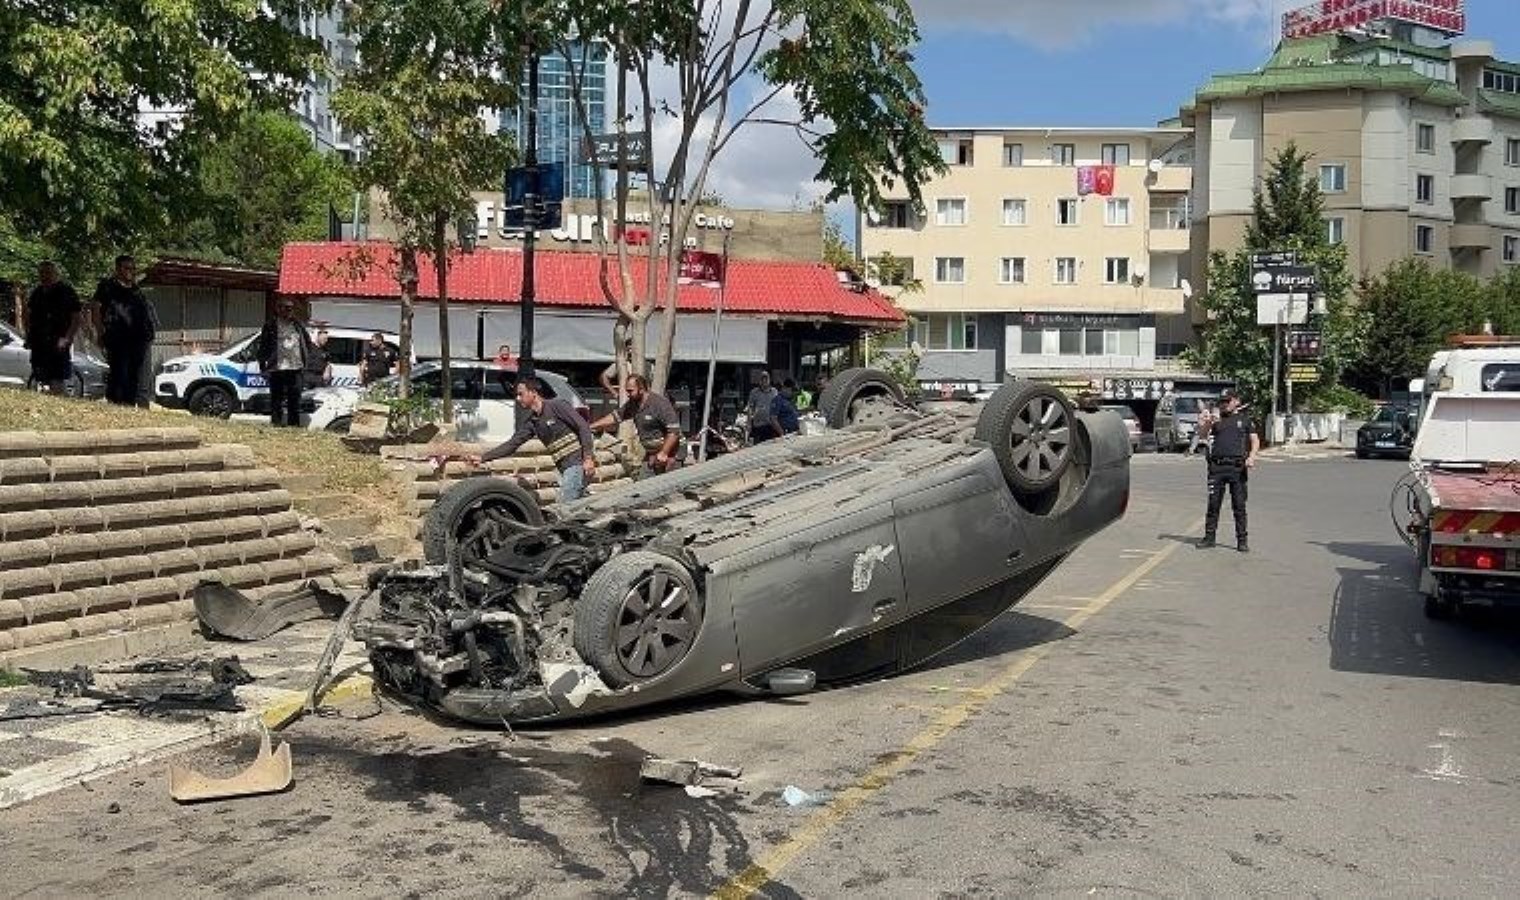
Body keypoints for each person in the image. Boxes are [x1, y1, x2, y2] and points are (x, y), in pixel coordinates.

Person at [472, 377, 598, 502]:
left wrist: (588, 458)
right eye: (516, 395)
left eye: (521, 394)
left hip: (577, 464)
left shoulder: (557, 406)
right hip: (565, 469)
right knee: (575, 505)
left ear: (533, 392)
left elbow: (583, 427)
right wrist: (483, 458)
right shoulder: (533, 422)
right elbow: (512, 444)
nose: (517, 398)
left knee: (563, 505)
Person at [1197, 388, 1259, 553]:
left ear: (1236, 401)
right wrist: (1207, 422)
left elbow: (1255, 440)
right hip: (1216, 467)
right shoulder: (1215, 419)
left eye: (1227, 400)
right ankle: (1209, 538)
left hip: (1237, 468)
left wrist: (1252, 456)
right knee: (1213, 505)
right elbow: (1202, 435)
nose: (1224, 404)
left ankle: (1242, 540)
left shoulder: (1245, 420)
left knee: (1239, 506)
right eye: (1222, 401)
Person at [92, 255, 157, 407]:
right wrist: (100, 332)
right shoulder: (107, 287)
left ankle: (135, 406)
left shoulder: (136, 290)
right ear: (117, 269)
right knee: (120, 374)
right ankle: (118, 405)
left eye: (133, 269)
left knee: (137, 377)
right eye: (127, 268)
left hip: (140, 339)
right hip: (118, 338)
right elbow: (96, 308)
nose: (131, 272)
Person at [592, 374, 684, 477]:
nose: (628, 394)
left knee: (670, 488)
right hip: (652, 453)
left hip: (671, 452)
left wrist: (664, 453)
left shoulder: (660, 404)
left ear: (641, 389)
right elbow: (615, 417)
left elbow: (674, 432)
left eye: (631, 391)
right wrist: (592, 426)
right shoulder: (633, 404)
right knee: (643, 484)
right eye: (627, 390)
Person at [257, 297, 319, 427]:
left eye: (290, 309)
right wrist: (262, 364)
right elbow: (264, 345)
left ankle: (293, 426)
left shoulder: (298, 325)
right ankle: (276, 423)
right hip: (277, 367)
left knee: (294, 399)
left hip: (295, 368)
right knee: (276, 399)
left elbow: (308, 343)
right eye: (285, 308)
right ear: (278, 309)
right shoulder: (270, 325)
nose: (288, 311)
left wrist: (308, 360)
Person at [24, 261, 82, 395]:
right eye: (42, 273)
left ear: (56, 274)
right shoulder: (37, 292)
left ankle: (57, 399)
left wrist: (68, 338)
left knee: (57, 377)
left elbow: (76, 317)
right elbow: (28, 315)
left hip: (58, 340)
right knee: (40, 376)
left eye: (48, 272)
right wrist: (28, 335)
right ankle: (45, 398)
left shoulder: (66, 291)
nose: (45, 276)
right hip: (39, 341)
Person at [746, 370, 778, 444]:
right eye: (762, 378)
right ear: (759, 380)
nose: (764, 380)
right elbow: (750, 408)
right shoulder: (754, 392)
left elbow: (777, 407)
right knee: (758, 448)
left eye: (766, 378)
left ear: (769, 380)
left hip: (771, 425)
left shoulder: (774, 392)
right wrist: (749, 423)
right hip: (758, 425)